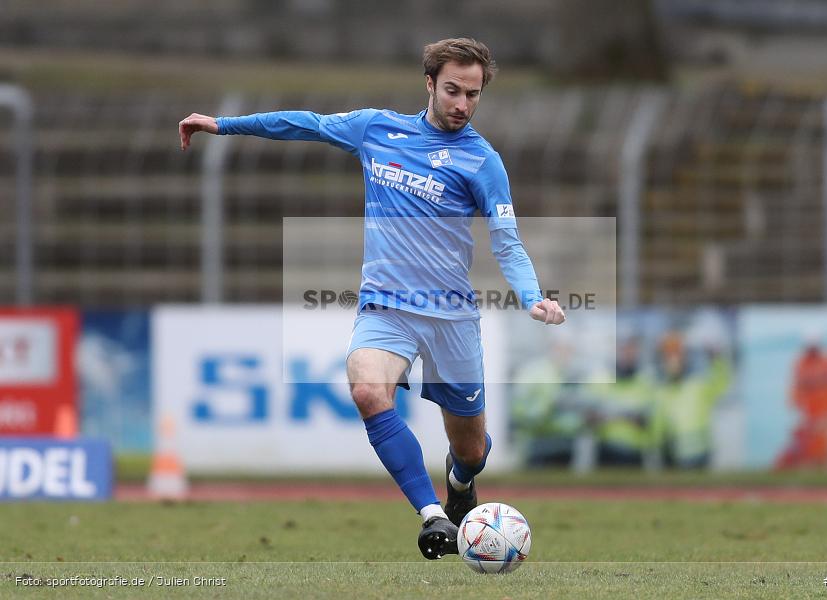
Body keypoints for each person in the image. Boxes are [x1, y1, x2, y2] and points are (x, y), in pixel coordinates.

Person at [179, 38, 565, 559]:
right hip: (385, 306)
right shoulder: (377, 129)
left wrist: (532, 296)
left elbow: (507, 240)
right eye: (452, 90)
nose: (462, 104)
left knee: (472, 450)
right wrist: (224, 125)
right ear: (429, 83)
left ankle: (459, 481)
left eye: (473, 95)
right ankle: (433, 517)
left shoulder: (482, 161)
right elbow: (306, 123)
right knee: (366, 389)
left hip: (451, 317)